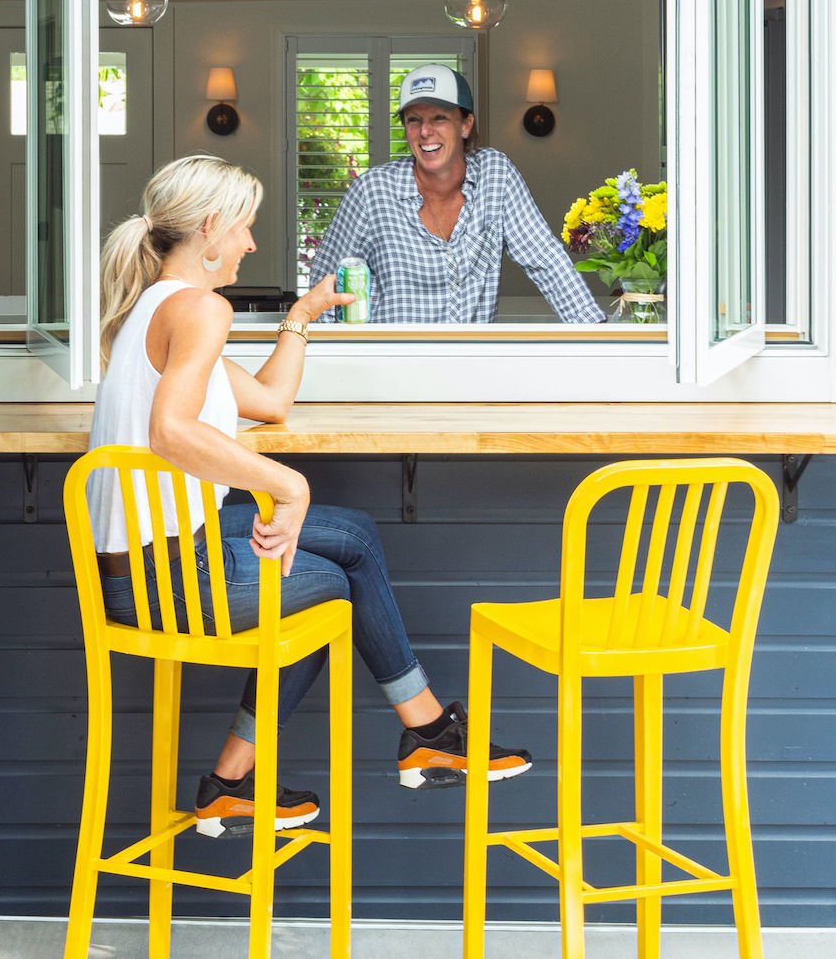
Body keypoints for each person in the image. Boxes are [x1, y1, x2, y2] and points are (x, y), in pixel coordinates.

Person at [87, 152, 530, 838]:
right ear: (210, 227)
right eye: (244, 228)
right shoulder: (200, 309)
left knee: (352, 535)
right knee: (329, 591)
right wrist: (288, 486)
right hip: (170, 580)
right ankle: (244, 779)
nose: (251, 243)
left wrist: (301, 315)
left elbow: (268, 401)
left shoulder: (157, 305)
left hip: (145, 566)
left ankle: (425, 734)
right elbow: (170, 431)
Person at [309, 64, 605, 325]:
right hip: (388, 363)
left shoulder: (495, 175)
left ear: (465, 125)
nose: (425, 132)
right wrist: (332, 359)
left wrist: (598, 336)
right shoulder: (372, 190)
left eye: (439, 118)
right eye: (413, 120)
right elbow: (322, 286)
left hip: (470, 365)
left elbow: (546, 260)